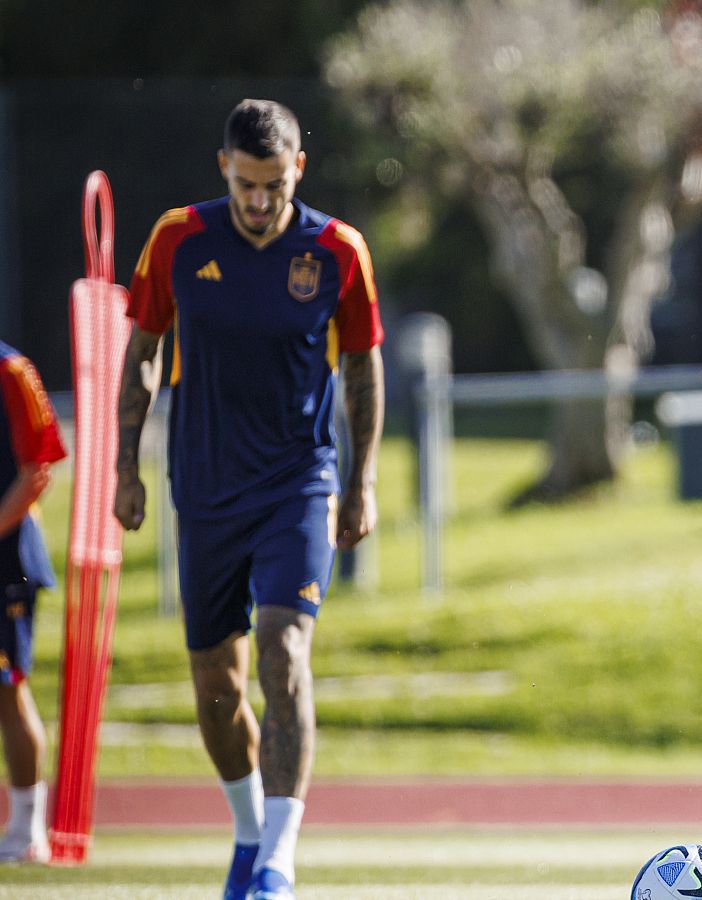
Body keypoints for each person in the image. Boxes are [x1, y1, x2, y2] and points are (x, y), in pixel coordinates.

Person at [115, 99, 384, 900]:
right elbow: (141, 355)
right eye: (246, 185)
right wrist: (126, 468)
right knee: (216, 686)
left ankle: (277, 860)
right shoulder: (175, 239)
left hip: (298, 484)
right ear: (222, 168)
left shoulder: (338, 250)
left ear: (298, 169)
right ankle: (245, 831)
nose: (260, 202)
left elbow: (365, 368)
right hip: (201, 490)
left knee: (283, 650)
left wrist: (361, 481)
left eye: (274, 185)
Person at [0, 342, 66, 864]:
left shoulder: (12, 370)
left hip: (8, 560)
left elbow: (37, 470)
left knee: (7, 689)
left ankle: (26, 832)